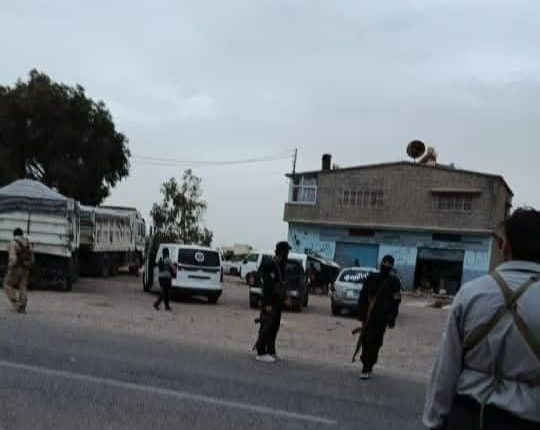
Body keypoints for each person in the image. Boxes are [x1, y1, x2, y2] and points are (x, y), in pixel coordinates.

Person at [423, 207, 540, 430]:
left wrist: (434, 421)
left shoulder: (471, 293)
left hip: (467, 416)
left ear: (504, 245)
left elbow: (445, 369)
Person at [356, 254, 401, 379]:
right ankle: (365, 366)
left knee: (376, 343)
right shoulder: (372, 278)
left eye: (389, 264)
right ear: (381, 263)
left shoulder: (394, 282)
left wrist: (392, 317)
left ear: (392, 266)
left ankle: (370, 364)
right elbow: (363, 296)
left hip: (382, 318)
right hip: (369, 316)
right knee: (366, 341)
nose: (386, 265)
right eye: (385, 263)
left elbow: (396, 300)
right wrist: (361, 313)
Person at [254, 241, 290, 363]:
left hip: (277, 302)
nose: (288, 254)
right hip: (269, 302)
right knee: (266, 326)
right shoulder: (270, 265)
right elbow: (268, 286)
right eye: (287, 252)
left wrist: (285, 298)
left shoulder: (281, 265)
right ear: (282, 252)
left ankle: (271, 351)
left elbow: (282, 283)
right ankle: (261, 352)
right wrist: (267, 304)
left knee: (274, 327)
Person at [3, 228, 33, 313]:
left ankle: (16, 302)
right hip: (26, 268)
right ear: (22, 234)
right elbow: (31, 254)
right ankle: (22, 306)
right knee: (22, 286)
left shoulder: (13, 243)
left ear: (14, 234)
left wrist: (10, 267)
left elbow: (13, 257)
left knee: (7, 284)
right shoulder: (27, 242)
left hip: (16, 267)